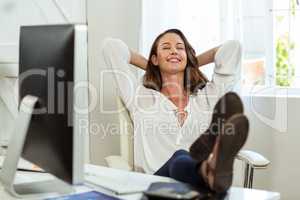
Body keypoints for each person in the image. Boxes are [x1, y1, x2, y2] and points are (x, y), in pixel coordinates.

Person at [101, 29, 249, 193]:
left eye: (180, 48)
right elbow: (111, 47)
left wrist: (190, 64)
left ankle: (208, 171)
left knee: (186, 162)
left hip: (196, 191)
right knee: (180, 156)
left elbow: (232, 48)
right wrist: (153, 67)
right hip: (153, 188)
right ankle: (207, 170)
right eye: (166, 48)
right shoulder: (140, 97)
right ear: (155, 59)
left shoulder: (206, 97)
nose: (173, 51)